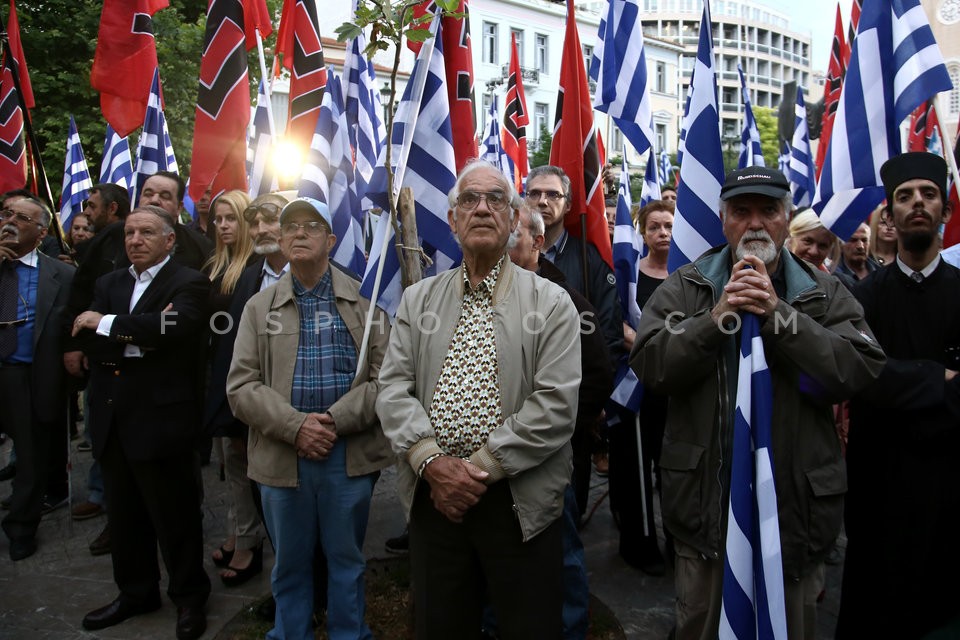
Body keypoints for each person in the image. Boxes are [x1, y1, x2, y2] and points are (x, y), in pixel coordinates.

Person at [630, 166, 885, 640]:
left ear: (787, 220)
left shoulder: (823, 290)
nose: (755, 224)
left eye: (768, 211)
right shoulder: (689, 286)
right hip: (707, 516)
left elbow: (860, 367)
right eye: (741, 212)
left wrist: (780, 318)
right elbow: (650, 363)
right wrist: (716, 319)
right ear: (724, 221)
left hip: (792, 519)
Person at [377, 160, 582, 639]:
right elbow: (392, 388)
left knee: (527, 627)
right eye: (469, 199)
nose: (482, 208)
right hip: (435, 498)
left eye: (497, 200)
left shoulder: (551, 303)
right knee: (440, 626)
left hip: (518, 502)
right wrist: (431, 462)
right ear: (452, 221)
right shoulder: (417, 300)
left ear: (515, 219)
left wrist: (478, 469)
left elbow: (555, 406)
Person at [227, 197, 392, 640]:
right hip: (282, 459)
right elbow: (240, 387)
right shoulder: (258, 308)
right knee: (290, 564)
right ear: (279, 241)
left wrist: (333, 421)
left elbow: (388, 380)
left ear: (331, 239)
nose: (299, 233)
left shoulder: (365, 302)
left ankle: (348, 633)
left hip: (347, 458)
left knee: (346, 560)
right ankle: (289, 633)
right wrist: (296, 427)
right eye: (291, 227)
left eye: (312, 226)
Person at [836, 151, 960, 638]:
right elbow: (855, 374)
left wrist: (894, 382)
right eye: (904, 197)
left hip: (948, 483)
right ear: (888, 214)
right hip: (877, 481)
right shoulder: (861, 298)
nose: (917, 204)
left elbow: (881, 379)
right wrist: (938, 379)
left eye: (929, 195)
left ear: (945, 211)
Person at [74, 205, 210, 640]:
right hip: (112, 416)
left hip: (163, 420)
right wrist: (137, 335)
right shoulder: (109, 282)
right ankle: (136, 593)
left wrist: (111, 325)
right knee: (126, 517)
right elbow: (88, 339)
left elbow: (174, 328)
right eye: (130, 233)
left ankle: (189, 599)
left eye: (146, 232)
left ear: (169, 240)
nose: (134, 240)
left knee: (176, 518)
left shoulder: (188, 281)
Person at [508, 203, 612, 639]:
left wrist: (565, 429)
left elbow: (599, 374)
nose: (502, 237)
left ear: (538, 241)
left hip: (551, 455)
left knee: (560, 547)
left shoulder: (567, 300)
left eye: (513, 230)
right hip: (492, 454)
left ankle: (571, 628)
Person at [0, 197, 74, 560]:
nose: (10, 221)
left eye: (21, 217)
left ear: (42, 231)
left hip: (27, 375)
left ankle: (21, 527)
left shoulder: (61, 274)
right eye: (6, 213)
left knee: (30, 457)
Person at [201, 189, 264, 586]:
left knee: (242, 463)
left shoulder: (254, 268)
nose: (223, 226)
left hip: (240, 379)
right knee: (230, 463)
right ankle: (238, 529)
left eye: (231, 219)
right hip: (218, 375)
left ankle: (250, 542)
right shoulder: (218, 263)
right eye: (218, 219)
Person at [611, 199, 675, 576]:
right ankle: (640, 545)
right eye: (654, 227)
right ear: (642, 232)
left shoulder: (689, 272)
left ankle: (679, 540)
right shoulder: (628, 273)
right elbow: (614, 319)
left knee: (674, 469)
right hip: (636, 388)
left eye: (668, 226)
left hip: (678, 386)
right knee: (636, 470)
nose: (663, 233)